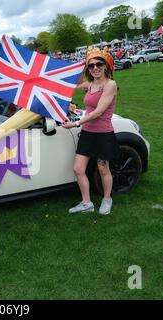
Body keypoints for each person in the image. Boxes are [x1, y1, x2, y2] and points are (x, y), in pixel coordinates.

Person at [62, 46, 118, 215]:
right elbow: (73, 82)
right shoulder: (90, 83)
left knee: (103, 168)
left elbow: (99, 112)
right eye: (91, 65)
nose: (95, 68)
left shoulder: (110, 85)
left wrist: (76, 123)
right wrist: (81, 65)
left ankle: (107, 199)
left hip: (103, 134)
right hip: (88, 133)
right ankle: (87, 203)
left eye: (99, 64)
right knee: (78, 169)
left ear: (106, 65)